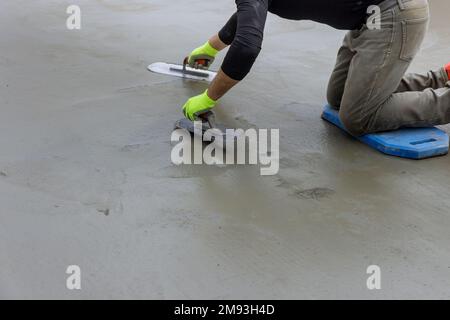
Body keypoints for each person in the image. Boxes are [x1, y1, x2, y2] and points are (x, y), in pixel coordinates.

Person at [182, 0, 450, 136]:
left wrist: (209, 98)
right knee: (338, 98)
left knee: (357, 118)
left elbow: (247, 47)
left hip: (393, 16)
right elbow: (250, 15)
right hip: (369, 21)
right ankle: (443, 77)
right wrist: (210, 48)